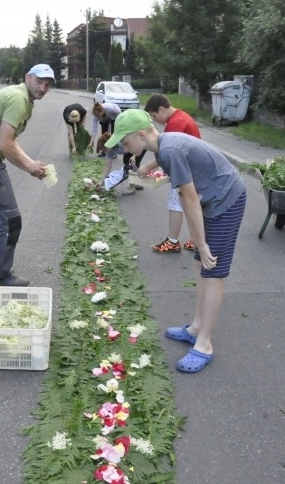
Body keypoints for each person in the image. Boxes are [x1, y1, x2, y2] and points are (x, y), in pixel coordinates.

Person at [104, 109, 246, 373]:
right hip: (213, 198)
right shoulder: (163, 144)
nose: (125, 148)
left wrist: (200, 243)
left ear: (141, 134)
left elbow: (189, 199)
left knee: (212, 269)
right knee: (200, 266)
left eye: (126, 142)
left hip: (227, 199)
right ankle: (195, 328)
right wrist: (146, 167)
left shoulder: (170, 150)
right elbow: (164, 161)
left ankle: (204, 344)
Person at [0, 63, 55, 287]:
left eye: (47, 84)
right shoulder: (18, 99)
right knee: (10, 219)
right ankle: (0, 274)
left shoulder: (22, 97)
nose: (43, 88)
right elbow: (4, 144)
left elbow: (10, 139)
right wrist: (29, 167)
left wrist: (30, 162)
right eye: (39, 81)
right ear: (27, 78)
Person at [140, 93, 203, 253]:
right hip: (192, 167)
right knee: (190, 205)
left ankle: (173, 241)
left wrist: (147, 167)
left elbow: (166, 153)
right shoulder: (182, 116)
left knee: (176, 203)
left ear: (161, 109)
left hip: (185, 170)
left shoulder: (174, 125)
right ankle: (195, 240)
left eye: (154, 116)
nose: (154, 120)